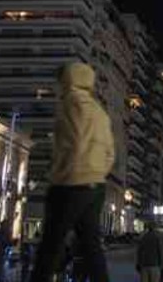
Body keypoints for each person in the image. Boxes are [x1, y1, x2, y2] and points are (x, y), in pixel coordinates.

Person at [30, 62, 115, 282]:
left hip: (70, 183)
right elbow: (110, 154)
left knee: (50, 245)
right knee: (91, 247)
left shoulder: (71, 103)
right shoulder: (100, 112)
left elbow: (73, 143)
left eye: (61, 80)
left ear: (68, 80)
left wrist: (59, 174)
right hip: (96, 186)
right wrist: (97, 173)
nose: (58, 85)